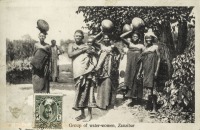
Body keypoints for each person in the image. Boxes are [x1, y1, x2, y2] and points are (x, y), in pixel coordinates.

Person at [68, 30, 97, 122]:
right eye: (76, 36)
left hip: (86, 72)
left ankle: (89, 115)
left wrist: (90, 50)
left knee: (88, 92)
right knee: (80, 92)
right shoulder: (71, 45)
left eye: (79, 36)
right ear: (74, 36)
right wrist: (82, 50)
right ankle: (82, 114)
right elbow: (70, 54)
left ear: (82, 37)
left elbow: (94, 54)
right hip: (77, 72)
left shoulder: (86, 45)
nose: (77, 37)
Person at [94, 32, 120, 110]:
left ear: (110, 39)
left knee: (108, 83)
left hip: (110, 67)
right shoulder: (101, 46)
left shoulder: (113, 47)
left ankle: (108, 103)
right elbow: (93, 40)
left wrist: (115, 59)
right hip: (101, 67)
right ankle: (100, 103)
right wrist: (101, 33)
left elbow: (118, 54)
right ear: (103, 39)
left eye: (108, 38)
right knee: (101, 83)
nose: (106, 39)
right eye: (105, 38)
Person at [137, 31, 161, 114]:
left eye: (150, 38)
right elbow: (142, 62)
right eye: (147, 38)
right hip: (146, 70)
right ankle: (149, 105)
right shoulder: (145, 49)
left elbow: (159, 59)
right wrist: (139, 72)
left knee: (152, 89)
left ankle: (154, 108)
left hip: (153, 70)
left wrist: (156, 71)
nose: (148, 39)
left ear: (152, 39)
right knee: (148, 89)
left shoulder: (155, 47)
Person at [120, 30, 145, 106]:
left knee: (137, 80)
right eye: (133, 36)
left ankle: (137, 99)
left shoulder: (141, 46)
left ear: (139, 38)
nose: (135, 38)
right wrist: (131, 30)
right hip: (129, 65)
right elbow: (121, 37)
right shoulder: (129, 44)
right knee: (129, 79)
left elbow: (144, 56)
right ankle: (129, 98)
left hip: (137, 65)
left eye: (136, 36)